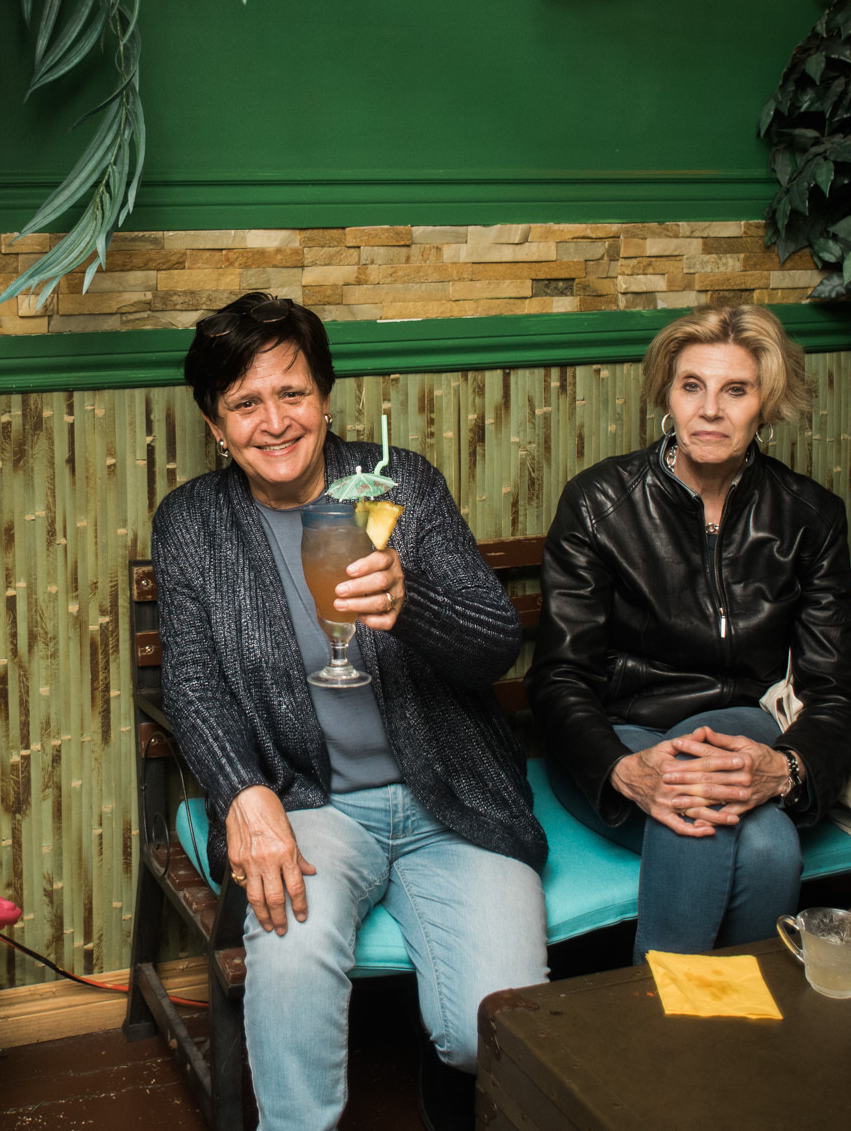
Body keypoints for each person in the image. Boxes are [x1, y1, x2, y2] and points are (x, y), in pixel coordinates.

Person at [152, 292, 547, 1131]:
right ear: (216, 424)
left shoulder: (401, 485)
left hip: (454, 797)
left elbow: (494, 645)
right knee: (289, 959)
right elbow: (191, 683)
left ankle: (444, 1077)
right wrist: (243, 793)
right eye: (245, 403)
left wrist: (414, 602)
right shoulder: (192, 522)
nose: (274, 422)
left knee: (490, 1034)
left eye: (292, 392)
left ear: (326, 398)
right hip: (310, 807)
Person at [526, 303, 851, 963]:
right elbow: (559, 677)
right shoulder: (599, 503)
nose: (710, 409)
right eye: (692, 386)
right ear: (668, 395)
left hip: (748, 734)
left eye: (735, 390)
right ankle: (714, 1022)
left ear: (765, 405)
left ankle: (658, 1016)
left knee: (711, 809)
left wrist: (786, 768)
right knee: (761, 843)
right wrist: (624, 770)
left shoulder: (809, 516)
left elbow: (840, 694)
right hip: (616, 737)